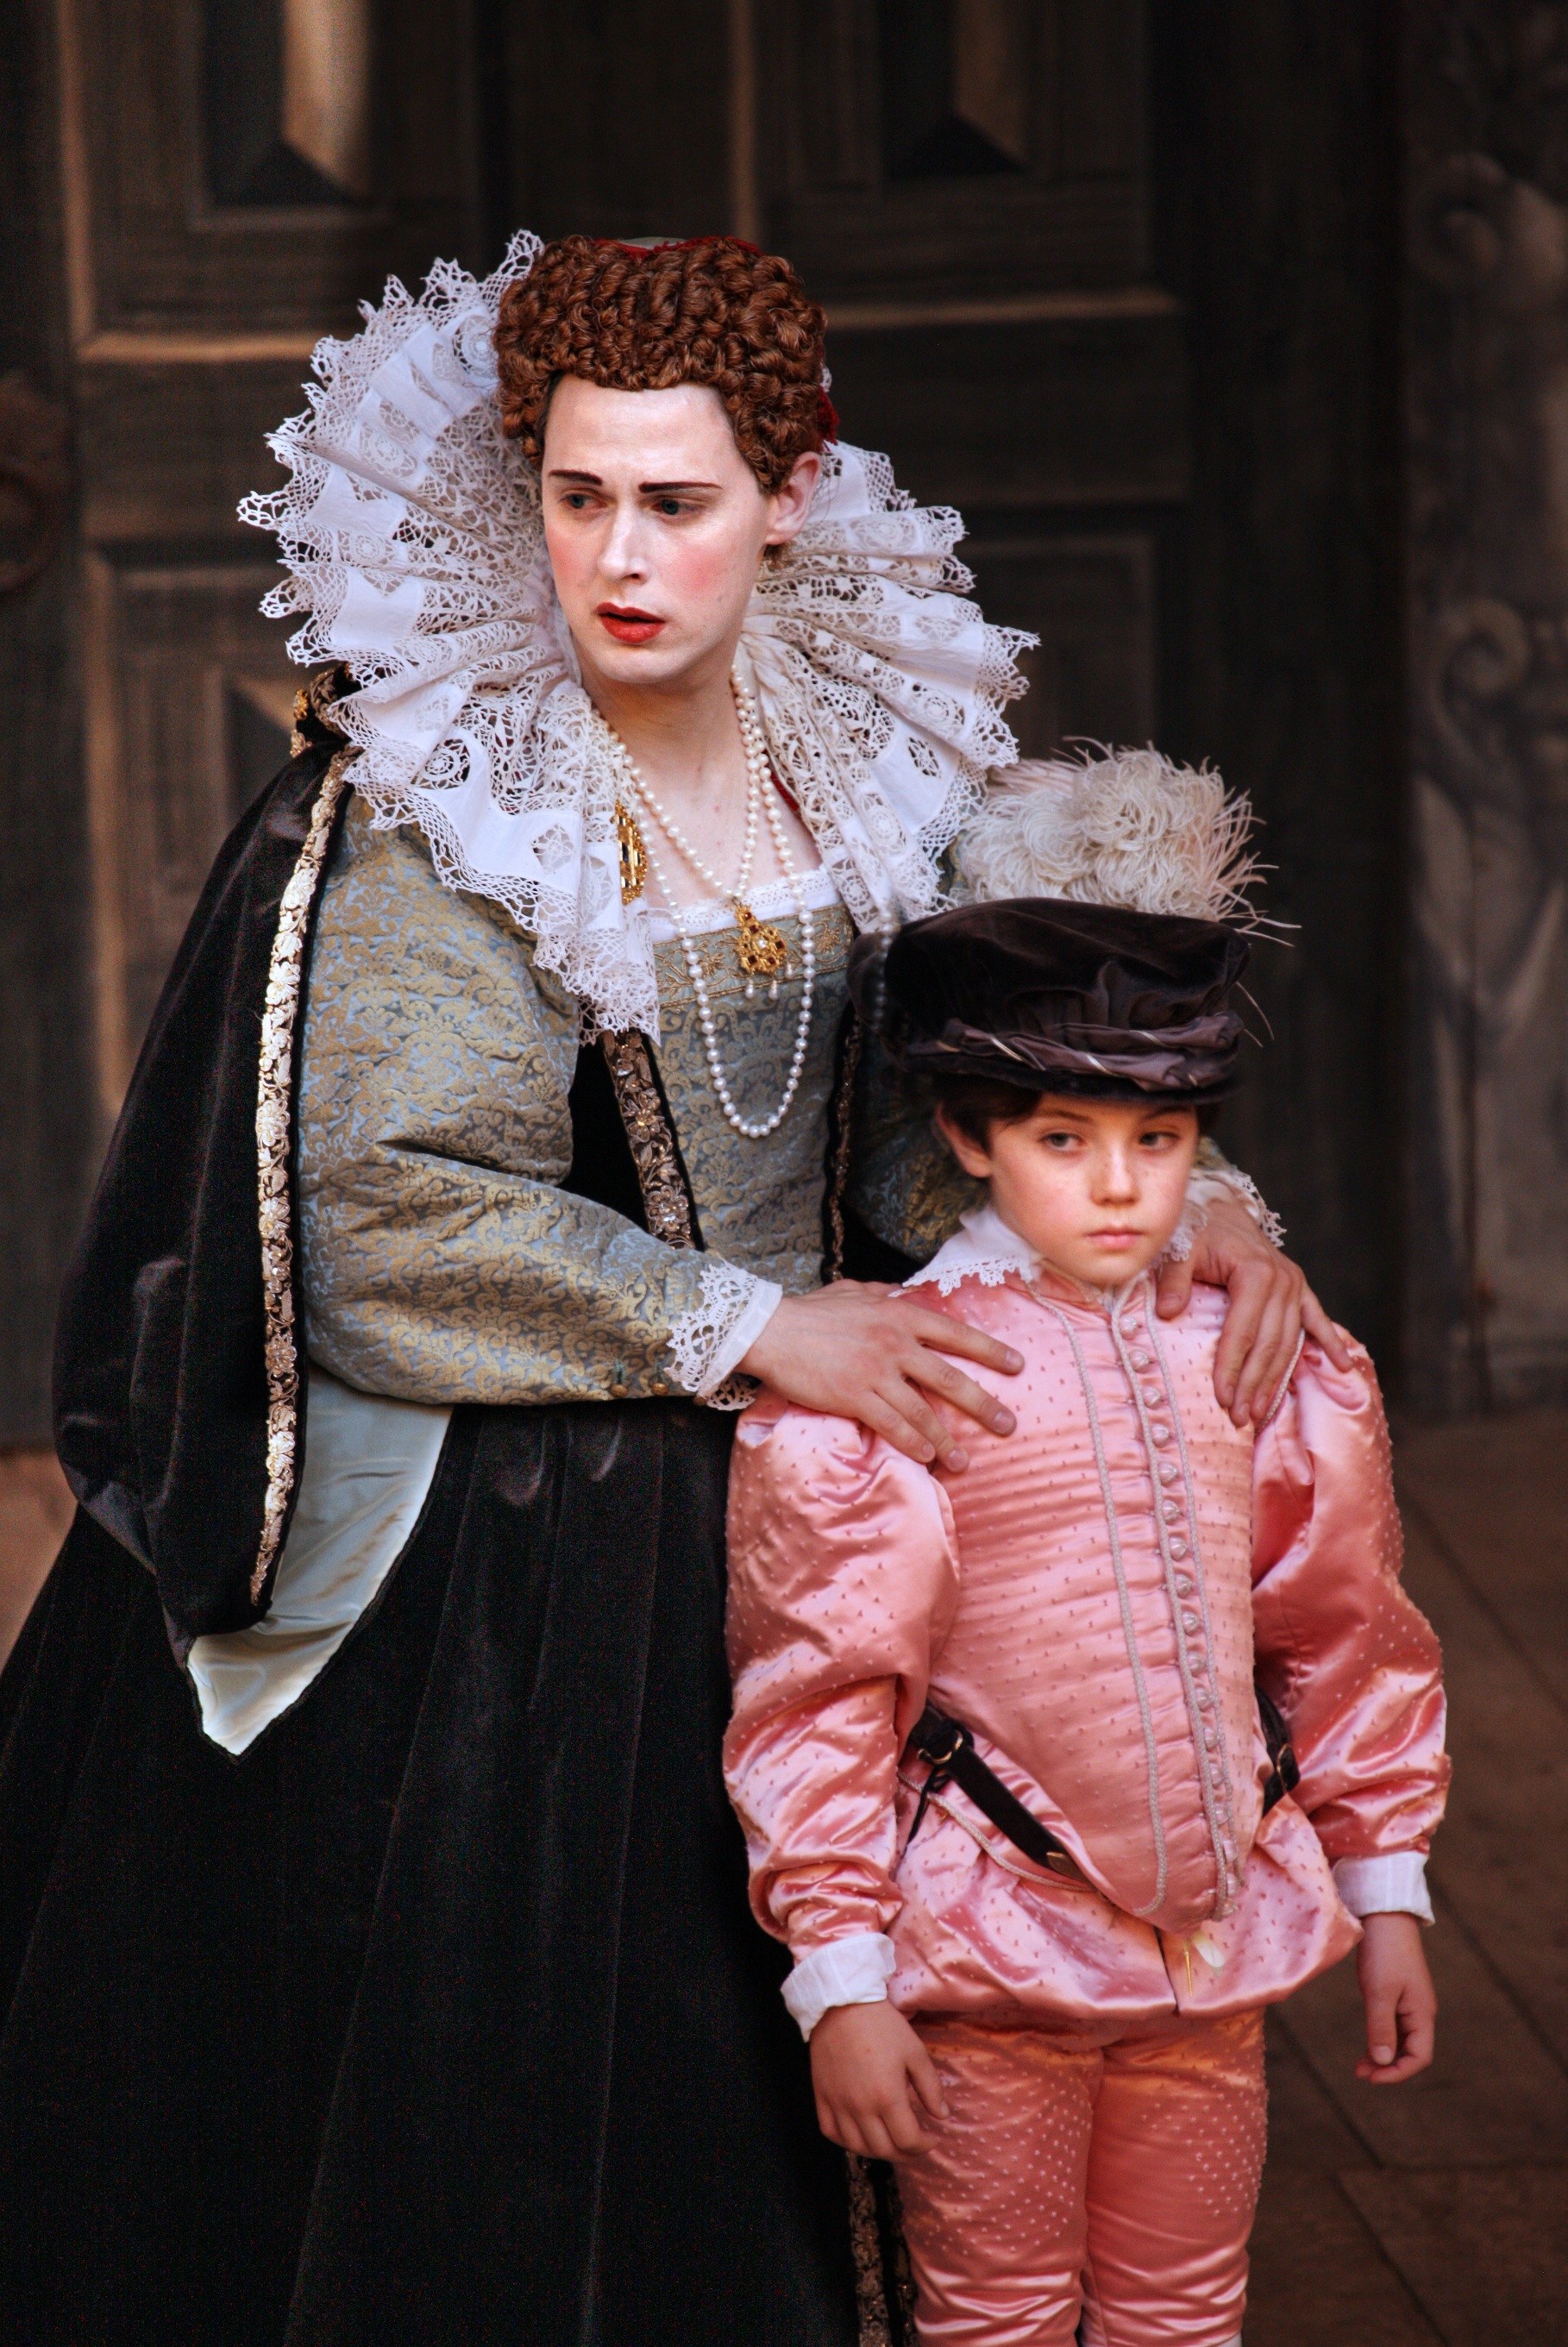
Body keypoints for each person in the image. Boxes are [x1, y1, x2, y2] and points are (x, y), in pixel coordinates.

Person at [1, 237, 1330, 2346]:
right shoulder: (452, 791)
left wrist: (1192, 1203)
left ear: (788, 492)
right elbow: (386, 1212)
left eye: (678, 502)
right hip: (519, 1530)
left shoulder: (858, 743)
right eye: (578, 494)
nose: (618, 560)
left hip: (841, 1456)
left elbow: (941, 1117)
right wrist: (747, 1324)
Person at [724, 754, 1448, 2347]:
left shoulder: (1258, 1355)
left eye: (1160, 1136)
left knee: (1187, 2309)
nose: (1119, 1185)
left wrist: (1384, 1883)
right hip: (989, 1956)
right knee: (990, 2315)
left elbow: (1344, 1630)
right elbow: (821, 1698)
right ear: (970, 1138)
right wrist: (839, 1978)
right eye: (1064, 1137)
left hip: (1212, 1954)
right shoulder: (894, 1381)